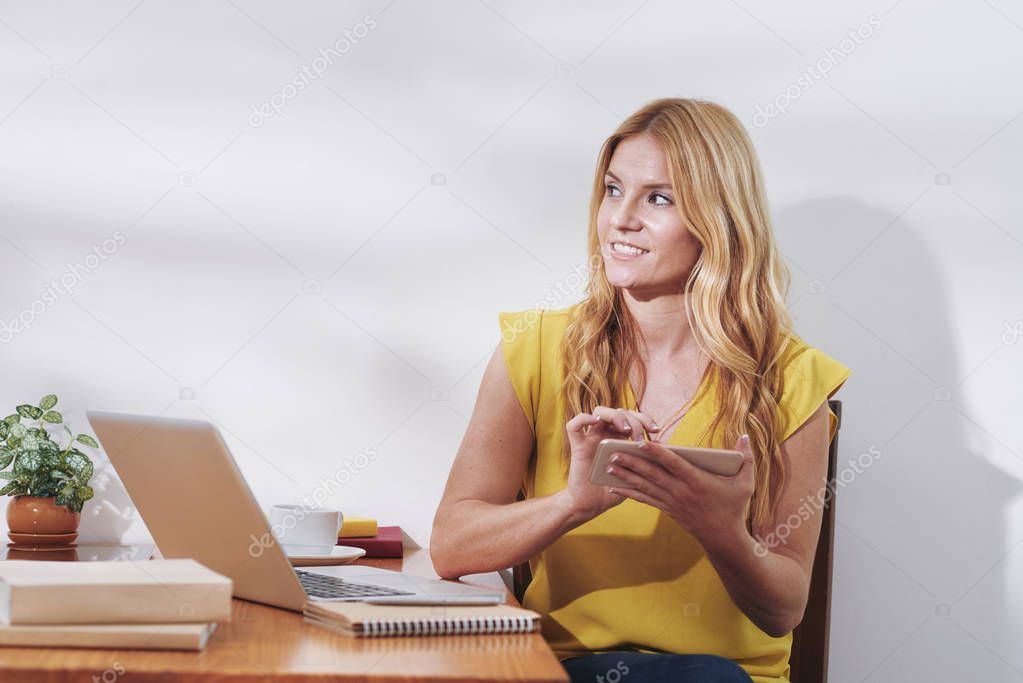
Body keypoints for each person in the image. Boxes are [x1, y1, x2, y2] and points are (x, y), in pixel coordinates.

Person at [430, 97, 851, 682]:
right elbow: (452, 547)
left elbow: (783, 610)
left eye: (659, 198)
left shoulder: (792, 379)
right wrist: (572, 504)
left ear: (719, 218)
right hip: (565, 669)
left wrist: (720, 531)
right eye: (612, 189)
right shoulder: (533, 349)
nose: (620, 218)